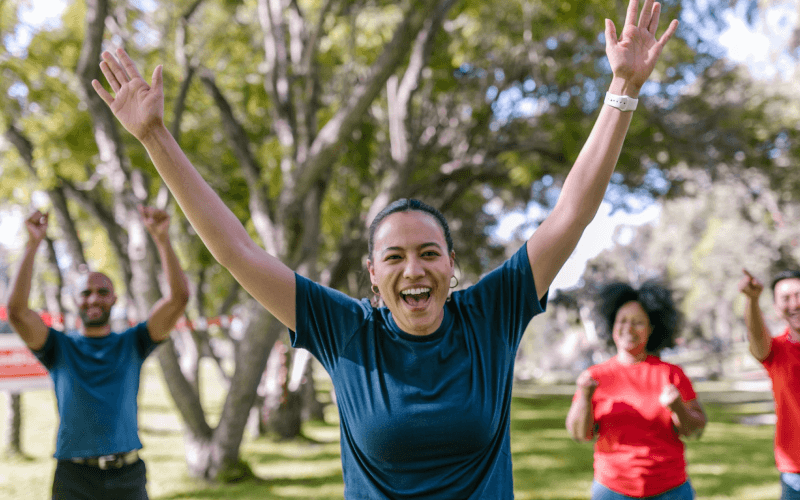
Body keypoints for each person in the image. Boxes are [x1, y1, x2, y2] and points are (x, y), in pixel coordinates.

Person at [92, 0, 678, 497]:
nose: (414, 269)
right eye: (394, 258)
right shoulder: (344, 329)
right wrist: (154, 137)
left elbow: (570, 213)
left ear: (453, 265)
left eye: (429, 252)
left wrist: (622, 89)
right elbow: (237, 252)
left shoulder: (491, 315)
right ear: (372, 274)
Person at [6, 206, 190, 500]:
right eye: (86, 292)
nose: (94, 298)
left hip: (127, 476)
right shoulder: (58, 347)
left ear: (114, 299)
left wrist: (163, 239)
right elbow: (16, 312)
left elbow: (178, 299)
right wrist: (32, 244)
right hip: (74, 477)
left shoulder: (134, 342)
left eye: (103, 292)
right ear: (75, 300)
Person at [566, 281, 706, 500]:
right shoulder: (594, 377)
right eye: (622, 321)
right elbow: (578, 434)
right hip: (612, 490)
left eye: (638, 322)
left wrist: (678, 407)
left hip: (670, 489)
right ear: (612, 325)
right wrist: (584, 397)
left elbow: (696, 430)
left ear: (652, 330)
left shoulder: (671, 374)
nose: (628, 329)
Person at [739, 268, 800, 500]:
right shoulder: (776, 351)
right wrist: (752, 300)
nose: (794, 304)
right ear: (776, 308)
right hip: (796, 472)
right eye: (785, 298)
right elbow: (756, 337)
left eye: (799, 295)